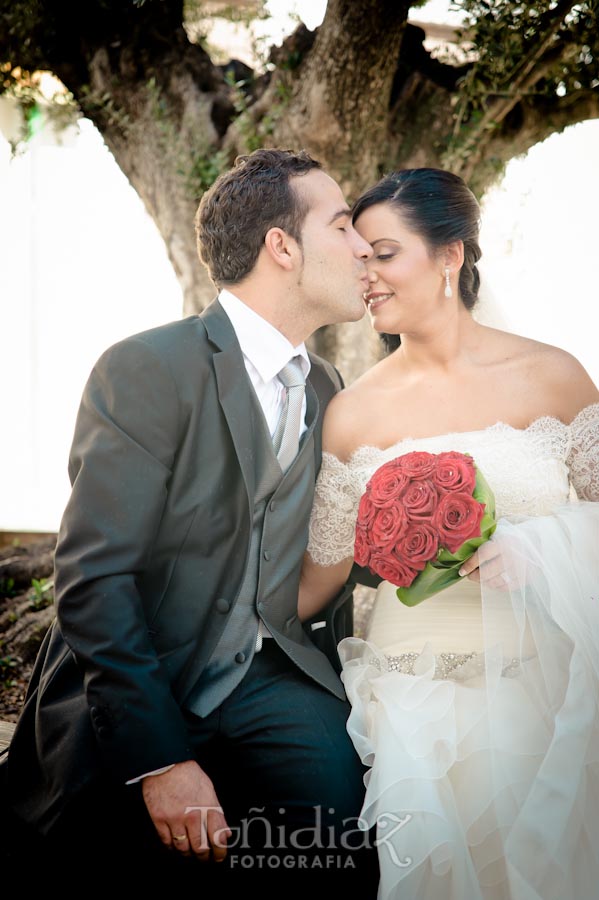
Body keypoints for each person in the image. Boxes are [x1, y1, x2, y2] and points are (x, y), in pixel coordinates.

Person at [0, 148, 380, 892]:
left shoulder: (330, 386)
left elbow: (318, 544)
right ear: (281, 246)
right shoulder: (147, 367)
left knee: (344, 834)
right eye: (341, 226)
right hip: (150, 675)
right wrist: (160, 760)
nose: (362, 245)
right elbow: (93, 579)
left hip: (274, 674)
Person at [299, 167, 599, 899]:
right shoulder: (352, 413)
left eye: (385, 253)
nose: (366, 275)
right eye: (358, 258)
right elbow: (319, 578)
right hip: (413, 696)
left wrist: (539, 545)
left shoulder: (554, 376)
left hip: (546, 686)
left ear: (450, 256)